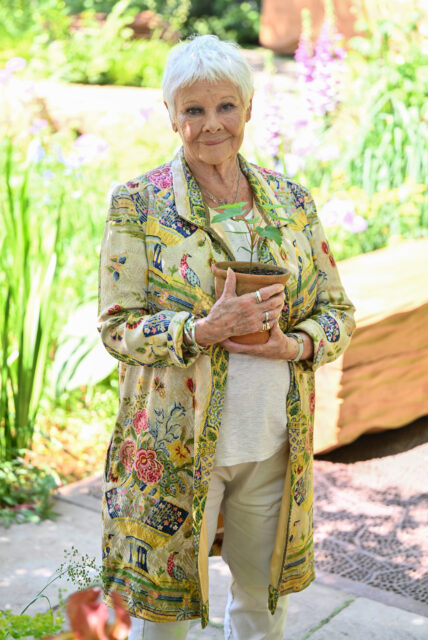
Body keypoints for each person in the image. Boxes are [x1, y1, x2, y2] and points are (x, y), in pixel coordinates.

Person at [97, 34, 355, 640]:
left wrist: (295, 345)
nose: (212, 125)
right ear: (171, 116)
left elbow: (337, 310)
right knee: (165, 618)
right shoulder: (139, 204)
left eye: (225, 107)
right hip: (176, 449)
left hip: (271, 446)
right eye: (193, 109)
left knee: (263, 609)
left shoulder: (291, 203)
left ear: (248, 107)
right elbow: (116, 326)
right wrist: (201, 330)